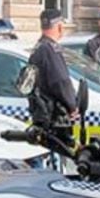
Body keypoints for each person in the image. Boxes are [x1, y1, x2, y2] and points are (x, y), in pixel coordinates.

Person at [28, 8, 79, 149]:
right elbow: (61, 82)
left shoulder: (39, 47)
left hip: (43, 114)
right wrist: (72, 106)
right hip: (53, 118)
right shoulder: (50, 50)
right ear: (60, 27)